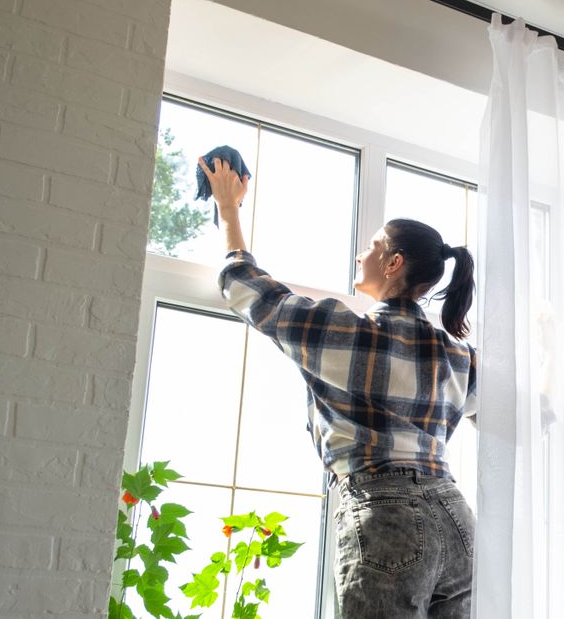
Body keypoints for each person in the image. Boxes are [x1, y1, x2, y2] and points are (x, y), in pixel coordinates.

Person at [201, 156, 478, 618]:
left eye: (371, 247)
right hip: (456, 520)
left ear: (393, 263)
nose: (360, 254)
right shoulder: (456, 355)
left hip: (386, 512)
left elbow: (249, 290)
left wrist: (229, 213)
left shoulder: (345, 332)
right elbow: (513, 412)